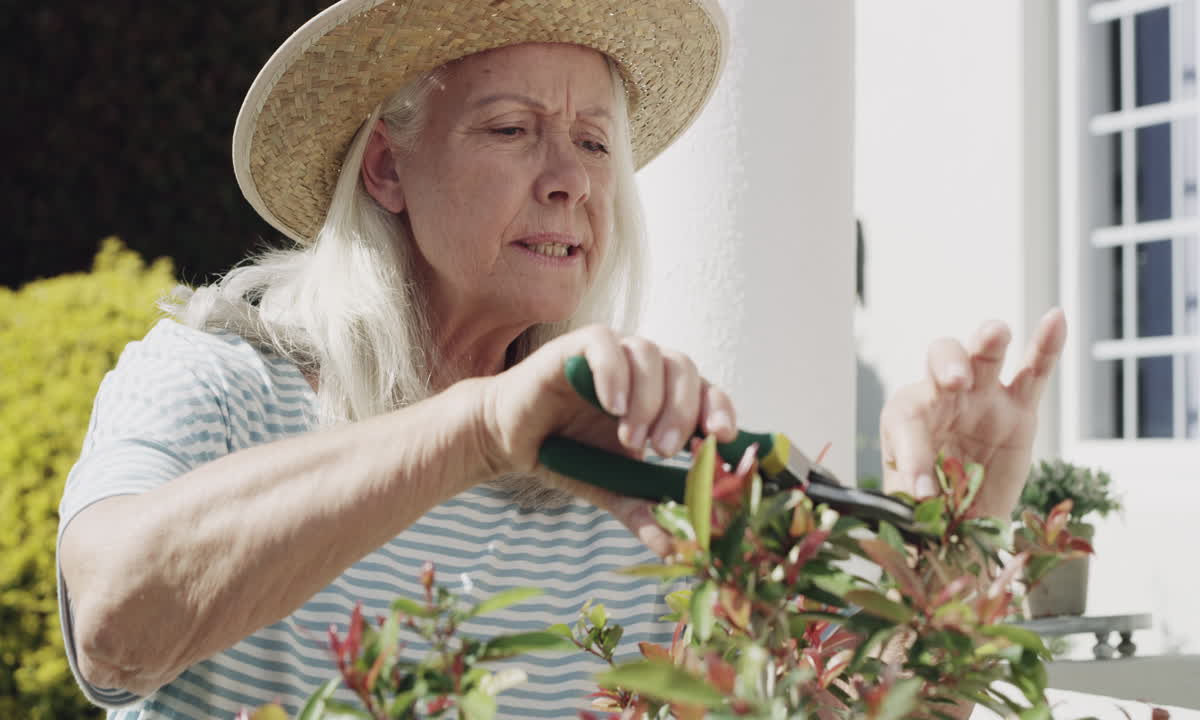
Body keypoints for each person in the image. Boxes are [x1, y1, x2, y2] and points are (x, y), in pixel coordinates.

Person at [56, 0, 1067, 718]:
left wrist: (953, 526)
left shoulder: (639, 463)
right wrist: (484, 427)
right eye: (512, 130)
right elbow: (111, 629)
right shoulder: (218, 376)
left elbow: (865, 704)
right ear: (385, 167)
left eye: (592, 143)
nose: (566, 182)